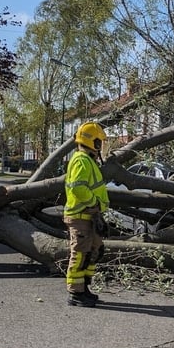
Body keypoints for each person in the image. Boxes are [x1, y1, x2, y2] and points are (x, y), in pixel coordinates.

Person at [63, 121, 109, 307]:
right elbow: (78, 188)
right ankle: (75, 293)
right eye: (100, 142)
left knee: (94, 251)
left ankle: (84, 287)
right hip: (81, 216)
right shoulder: (81, 160)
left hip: (90, 216)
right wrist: (94, 203)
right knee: (80, 254)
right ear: (93, 142)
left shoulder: (87, 160)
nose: (101, 147)